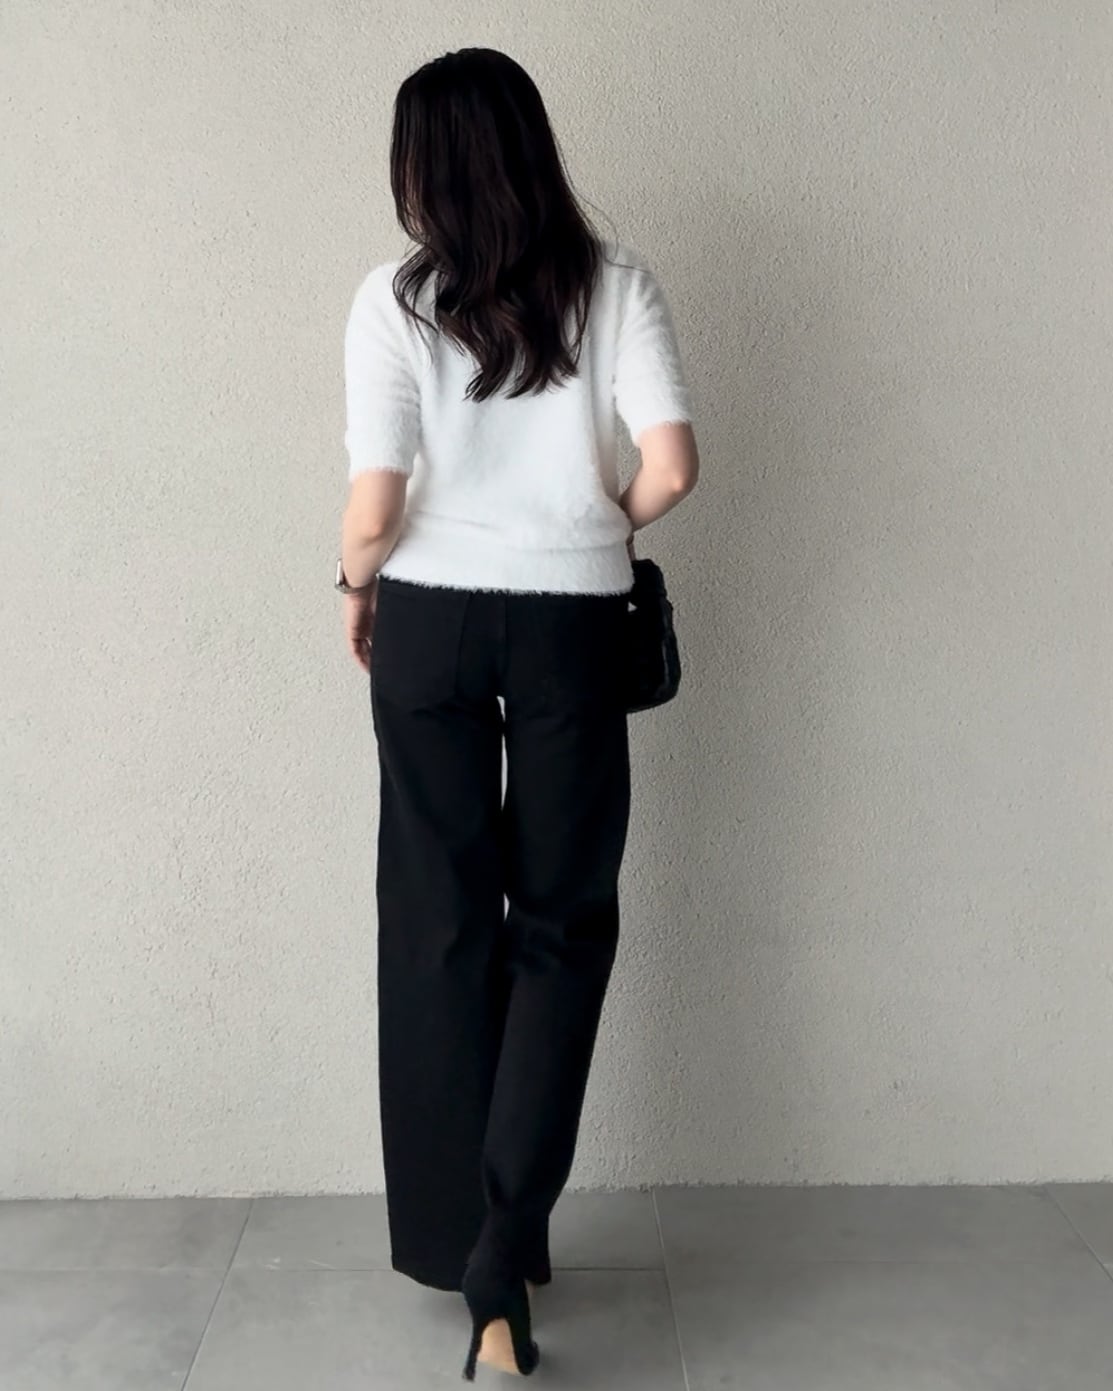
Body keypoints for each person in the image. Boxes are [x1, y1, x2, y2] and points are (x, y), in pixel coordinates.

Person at [335, 46, 700, 1380]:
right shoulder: (616, 283)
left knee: (437, 924)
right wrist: (598, 526)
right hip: (567, 629)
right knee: (559, 927)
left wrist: (355, 587)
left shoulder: (394, 299)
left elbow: (376, 501)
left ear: (422, 169)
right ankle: (504, 1254)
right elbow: (673, 467)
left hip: (429, 616)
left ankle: (461, 1250)